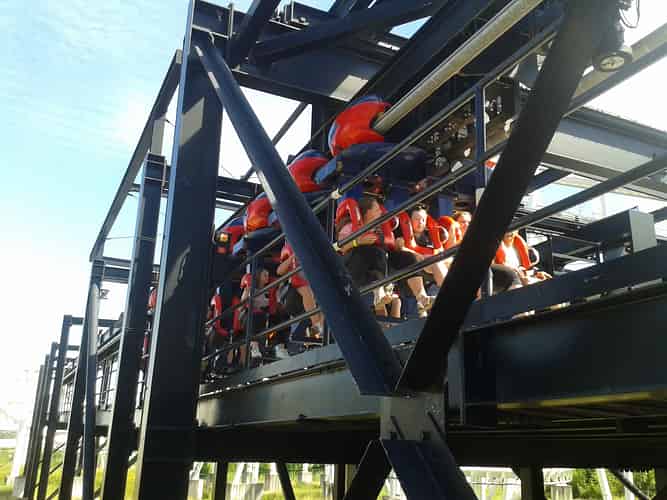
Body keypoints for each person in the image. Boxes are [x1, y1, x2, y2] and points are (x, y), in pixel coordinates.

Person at [337, 196, 394, 315]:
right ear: (368, 212)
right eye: (376, 209)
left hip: (371, 272)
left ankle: (380, 294)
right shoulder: (350, 226)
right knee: (370, 251)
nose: (380, 212)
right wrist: (358, 242)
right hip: (353, 267)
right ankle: (381, 289)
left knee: (380, 258)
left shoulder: (379, 230)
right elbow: (342, 248)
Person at [276, 243, 324, 340]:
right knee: (306, 290)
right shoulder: (290, 250)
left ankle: (320, 329)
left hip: (314, 288)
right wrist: (292, 257)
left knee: (326, 296)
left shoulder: (312, 249)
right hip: (293, 293)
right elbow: (279, 271)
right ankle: (317, 325)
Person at [393, 205, 449, 287]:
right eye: (417, 219)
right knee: (434, 261)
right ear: (409, 220)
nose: (420, 222)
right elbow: (400, 246)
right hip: (417, 268)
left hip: (436, 268)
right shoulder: (402, 234)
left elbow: (440, 252)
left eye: (423, 220)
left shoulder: (430, 236)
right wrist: (418, 255)